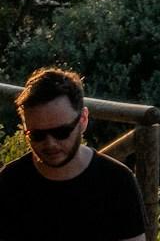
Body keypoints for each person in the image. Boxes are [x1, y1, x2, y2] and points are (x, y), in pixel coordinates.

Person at [0, 67, 147, 241]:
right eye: (37, 135)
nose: (50, 143)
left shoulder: (117, 182)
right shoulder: (10, 182)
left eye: (61, 132)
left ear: (83, 120)